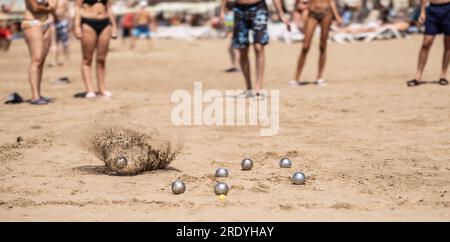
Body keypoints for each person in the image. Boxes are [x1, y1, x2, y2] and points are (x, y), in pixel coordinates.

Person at [220, 0, 290, 98]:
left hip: (258, 7)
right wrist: (222, 11)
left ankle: (258, 88)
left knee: (259, 47)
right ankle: (248, 87)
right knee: (242, 49)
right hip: (239, 8)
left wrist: (281, 13)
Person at [290, 0, 342, 86]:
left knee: (323, 46)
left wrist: (337, 16)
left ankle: (319, 77)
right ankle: (296, 78)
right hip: (312, 13)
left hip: (326, 13)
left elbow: (331, 1)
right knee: (305, 46)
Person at [74, 0, 117, 98]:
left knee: (101, 59)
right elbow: (77, 7)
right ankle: (90, 90)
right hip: (88, 22)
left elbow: (109, 7)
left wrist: (114, 26)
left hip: (105, 23)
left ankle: (102, 89)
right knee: (87, 59)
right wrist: (77, 26)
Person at [22, 0, 57, 105]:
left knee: (41, 60)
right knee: (36, 59)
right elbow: (35, 8)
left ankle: (39, 94)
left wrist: (48, 8)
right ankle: (35, 96)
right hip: (32, 23)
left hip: (45, 22)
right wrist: (48, 8)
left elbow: (54, 6)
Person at [407, 0, 449, 86]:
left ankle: (443, 75)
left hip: (448, 9)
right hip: (432, 9)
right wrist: (422, 12)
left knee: (448, 44)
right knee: (426, 43)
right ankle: (417, 77)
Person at [50, 0, 70, 66]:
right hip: (54, 23)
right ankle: (54, 60)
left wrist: (69, 23)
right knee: (54, 43)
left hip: (62, 22)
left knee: (64, 44)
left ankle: (66, 60)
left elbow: (67, 11)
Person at [222, 1, 239, 73]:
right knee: (234, 50)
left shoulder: (229, 15)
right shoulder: (235, 14)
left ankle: (236, 66)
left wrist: (228, 34)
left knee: (232, 50)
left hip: (232, 35)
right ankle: (235, 66)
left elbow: (230, 27)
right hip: (236, 34)